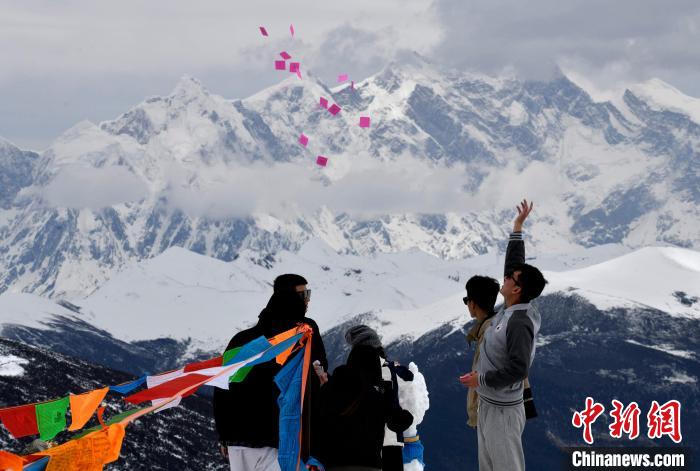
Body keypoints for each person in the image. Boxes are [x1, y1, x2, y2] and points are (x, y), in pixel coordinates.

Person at [460, 199, 548, 471]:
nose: (506, 278)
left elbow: (519, 368)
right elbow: (516, 265)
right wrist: (517, 229)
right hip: (490, 404)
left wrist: (481, 378)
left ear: (517, 289)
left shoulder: (520, 322)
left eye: (511, 278)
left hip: (503, 410)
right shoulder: (510, 309)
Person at [213, 274, 328, 471]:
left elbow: (223, 389)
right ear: (288, 297)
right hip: (280, 439)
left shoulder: (242, 341)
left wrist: (224, 435)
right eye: (303, 295)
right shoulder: (303, 336)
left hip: (239, 442)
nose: (308, 299)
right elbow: (315, 383)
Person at [319, 325, 413, 471]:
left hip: (337, 459)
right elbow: (393, 411)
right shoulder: (385, 373)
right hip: (380, 449)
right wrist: (407, 416)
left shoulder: (341, 377)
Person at [462, 275, 500, 428]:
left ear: (473, 304)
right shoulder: (494, 326)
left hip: (491, 412)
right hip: (493, 411)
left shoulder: (488, 332)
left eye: (466, 300)